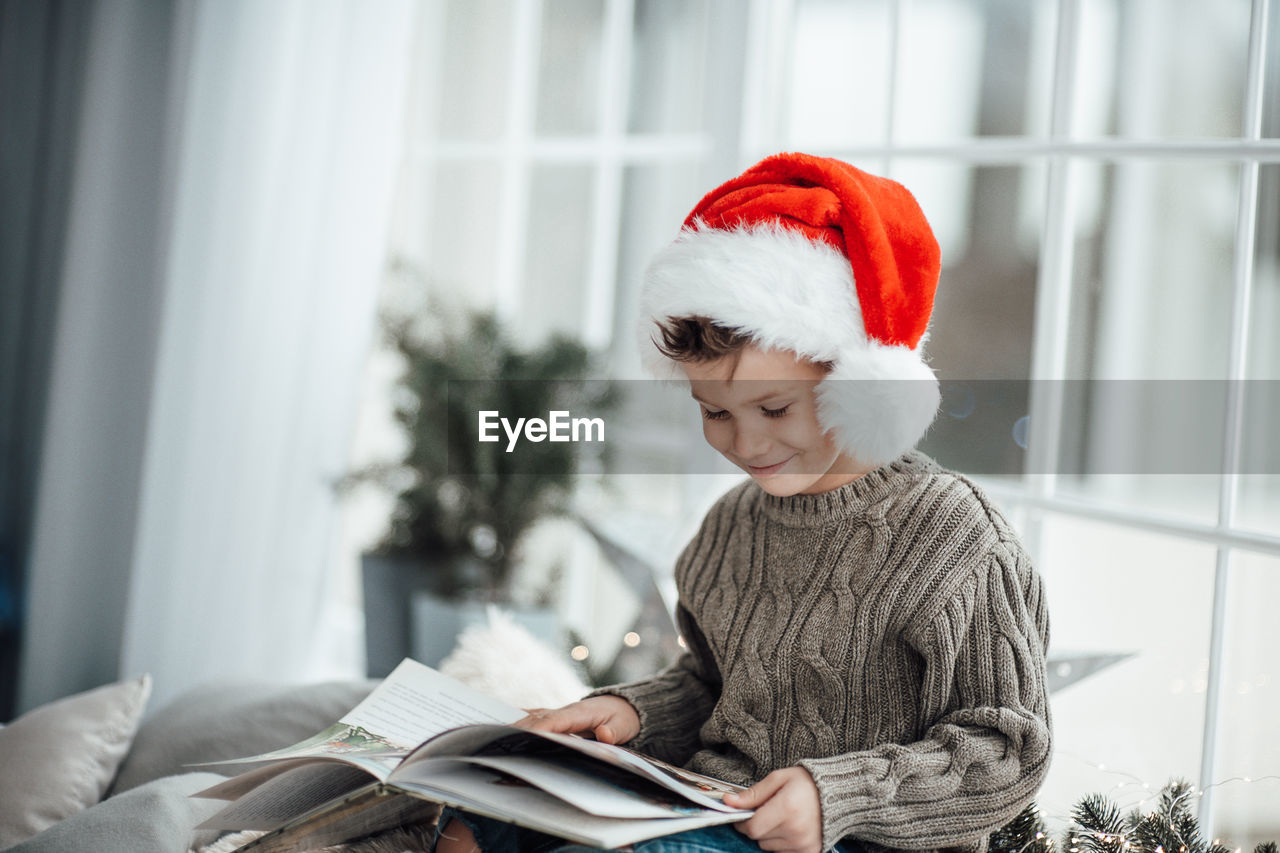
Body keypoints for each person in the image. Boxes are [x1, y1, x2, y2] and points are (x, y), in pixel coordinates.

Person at [433, 152, 1053, 853]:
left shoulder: (956, 537)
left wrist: (835, 794)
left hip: (850, 838)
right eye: (714, 411)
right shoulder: (732, 526)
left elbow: (1009, 747)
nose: (746, 442)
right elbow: (711, 682)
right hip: (712, 806)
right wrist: (626, 711)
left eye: (774, 406)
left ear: (860, 381)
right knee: (484, 806)